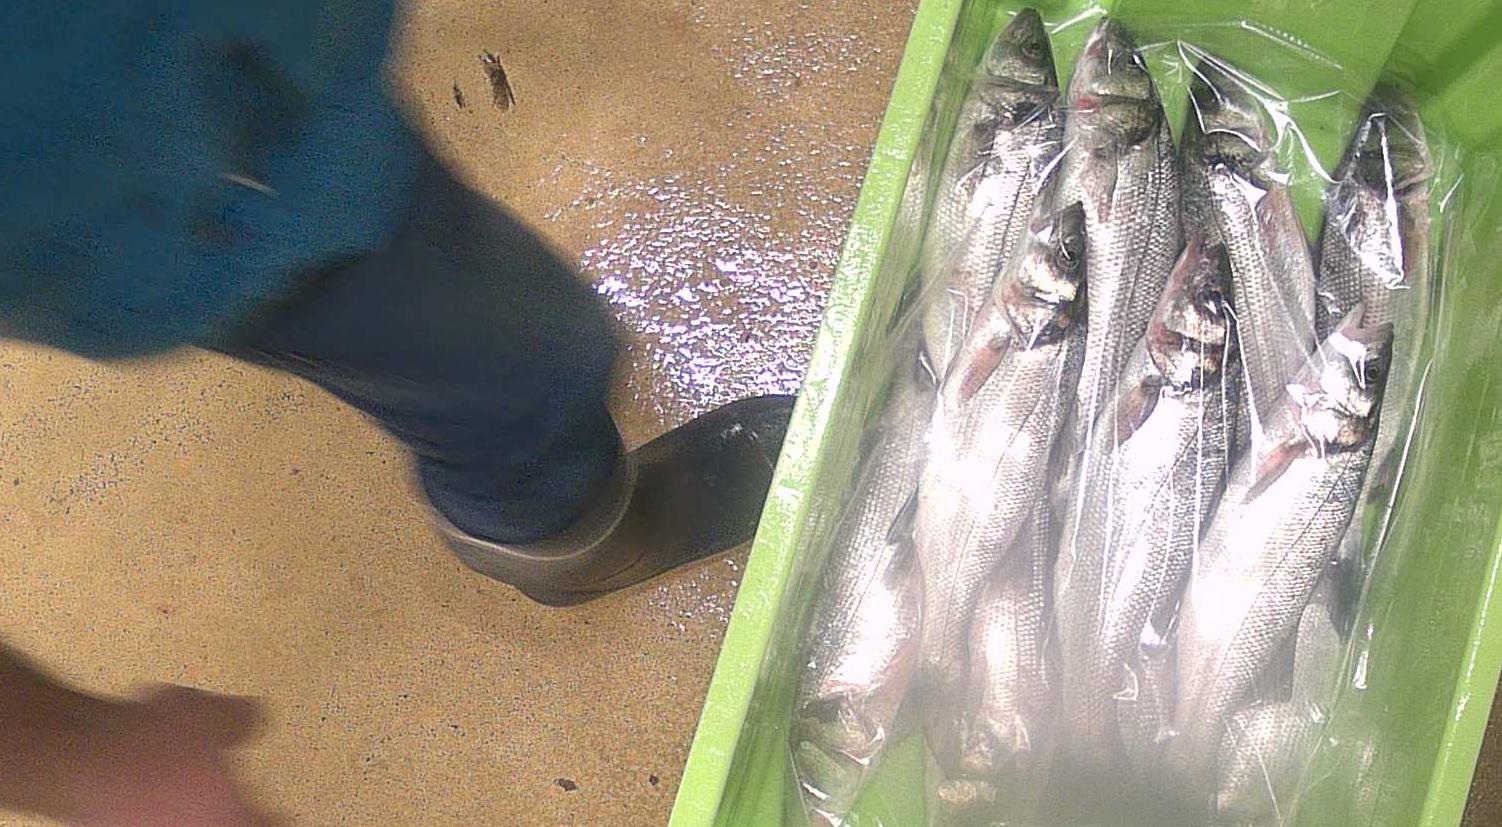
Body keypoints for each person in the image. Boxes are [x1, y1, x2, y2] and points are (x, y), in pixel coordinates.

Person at [0, 2, 794, 824]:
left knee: (417, 239)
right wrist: (77, 756)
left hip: (235, 70)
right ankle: (563, 531)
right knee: (516, 359)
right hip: (158, 185)